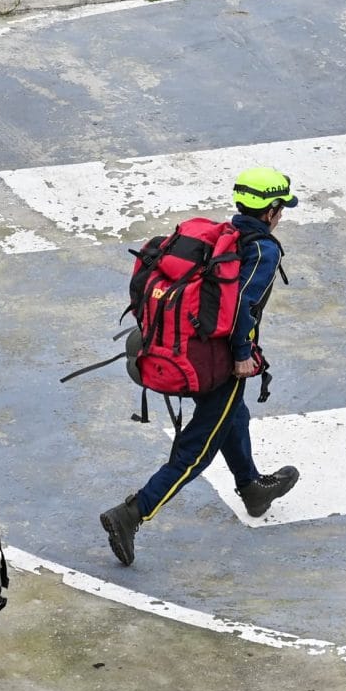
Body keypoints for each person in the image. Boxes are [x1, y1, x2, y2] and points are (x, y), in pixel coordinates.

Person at [100, 167, 300, 566]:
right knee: (197, 450)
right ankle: (132, 513)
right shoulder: (264, 250)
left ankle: (251, 488)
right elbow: (242, 306)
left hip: (190, 351)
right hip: (219, 364)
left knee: (234, 416)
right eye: (281, 209)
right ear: (271, 211)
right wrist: (242, 355)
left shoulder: (223, 237)